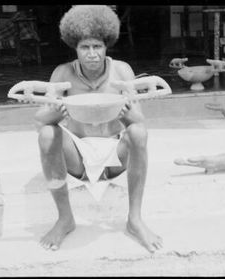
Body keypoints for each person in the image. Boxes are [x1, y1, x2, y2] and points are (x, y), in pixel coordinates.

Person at [34, 5, 163, 253]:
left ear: (107, 46)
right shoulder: (63, 73)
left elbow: (139, 118)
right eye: (85, 47)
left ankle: (135, 220)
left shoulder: (122, 71)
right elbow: (39, 119)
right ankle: (65, 219)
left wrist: (126, 112)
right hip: (78, 160)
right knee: (47, 133)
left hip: (115, 157)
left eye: (97, 47)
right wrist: (56, 112)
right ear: (75, 48)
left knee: (138, 132)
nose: (92, 54)